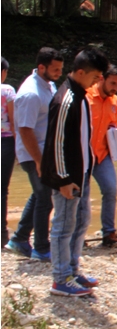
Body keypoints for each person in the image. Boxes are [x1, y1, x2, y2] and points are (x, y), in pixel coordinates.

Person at [41, 48, 108, 297]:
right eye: (95, 76)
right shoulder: (66, 99)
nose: (97, 81)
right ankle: (60, 279)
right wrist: (63, 180)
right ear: (80, 72)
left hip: (81, 174)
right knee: (63, 225)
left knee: (81, 222)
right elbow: (56, 143)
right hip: (67, 178)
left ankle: (72, 268)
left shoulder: (80, 96)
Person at [6, 48, 63, 260]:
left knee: (39, 195)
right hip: (34, 154)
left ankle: (19, 238)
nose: (59, 73)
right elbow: (24, 129)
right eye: (55, 69)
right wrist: (38, 160)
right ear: (41, 67)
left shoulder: (48, 84)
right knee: (45, 199)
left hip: (45, 152)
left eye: (60, 69)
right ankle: (41, 248)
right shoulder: (30, 93)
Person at [87, 65, 117, 247]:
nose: (115, 88)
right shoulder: (85, 97)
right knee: (80, 196)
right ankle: (75, 233)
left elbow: (113, 125)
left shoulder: (115, 101)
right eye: (112, 83)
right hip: (84, 155)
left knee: (110, 190)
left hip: (103, 155)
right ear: (101, 79)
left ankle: (108, 232)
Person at [1, 58, 16, 245]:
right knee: (2, 189)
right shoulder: (7, 90)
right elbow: (14, 121)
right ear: (3, 72)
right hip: (5, 142)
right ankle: (2, 232)